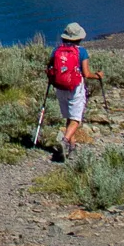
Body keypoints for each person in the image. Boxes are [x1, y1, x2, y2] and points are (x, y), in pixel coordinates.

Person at [47, 23, 100, 158]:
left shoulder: (56, 50)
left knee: (69, 118)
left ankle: (72, 148)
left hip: (60, 88)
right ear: (79, 38)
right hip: (75, 88)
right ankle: (64, 141)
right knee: (76, 119)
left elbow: (50, 68)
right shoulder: (81, 52)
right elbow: (86, 74)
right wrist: (98, 76)